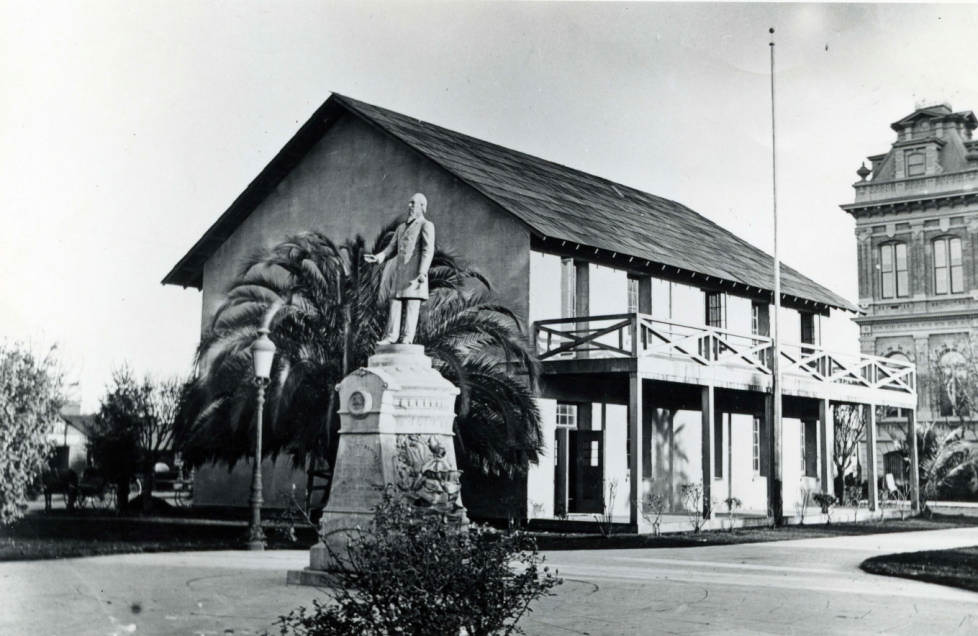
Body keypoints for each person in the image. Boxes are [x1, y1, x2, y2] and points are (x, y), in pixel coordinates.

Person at [364, 193, 435, 344]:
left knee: (412, 303)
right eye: (409, 203)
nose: (410, 206)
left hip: (415, 273)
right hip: (400, 273)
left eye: (413, 203)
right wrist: (379, 257)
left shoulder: (426, 225)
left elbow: (428, 250)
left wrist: (422, 271)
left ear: (422, 207)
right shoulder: (401, 227)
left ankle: (407, 338)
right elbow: (391, 247)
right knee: (395, 301)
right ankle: (391, 336)